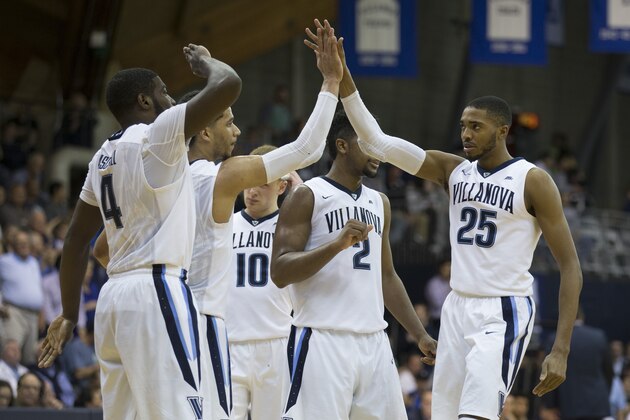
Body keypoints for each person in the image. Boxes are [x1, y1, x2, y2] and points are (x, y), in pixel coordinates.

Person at [307, 19, 582, 419]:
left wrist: (560, 349)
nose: (466, 134)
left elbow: (571, 266)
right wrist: (341, 75)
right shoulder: (453, 170)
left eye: (476, 126)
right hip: (456, 308)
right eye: (463, 126)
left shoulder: (533, 181)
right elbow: (380, 142)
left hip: (502, 310)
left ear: (502, 131)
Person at [92, 21, 343, 419]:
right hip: (201, 320)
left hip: (157, 315)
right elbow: (307, 148)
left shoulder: (151, 179)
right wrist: (331, 82)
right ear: (204, 130)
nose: (236, 130)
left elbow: (103, 249)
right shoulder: (218, 177)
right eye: (228, 122)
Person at [37, 43, 242, 420]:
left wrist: (69, 314)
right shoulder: (158, 136)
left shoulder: (101, 156)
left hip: (113, 301)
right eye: (164, 91)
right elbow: (229, 84)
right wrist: (206, 64)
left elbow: (77, 239)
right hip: (157, 291)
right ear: (144, 101)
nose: (170, 98)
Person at [270, 105, 437, 419]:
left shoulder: (380, 202)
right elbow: (279, 271)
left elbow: (387, 277)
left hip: (374, 341)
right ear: (342, 146)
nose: (379, 151)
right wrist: (335, 246)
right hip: (323, 339)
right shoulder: (307, 195)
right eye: (368, 143)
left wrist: (420, 334)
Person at [225, 145, 294, 420]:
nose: (251, 192)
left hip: (276, 342)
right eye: (248, 184)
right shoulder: (224, 223)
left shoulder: (294, 228)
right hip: (229, 341)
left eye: (262, 185)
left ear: (281, 186)